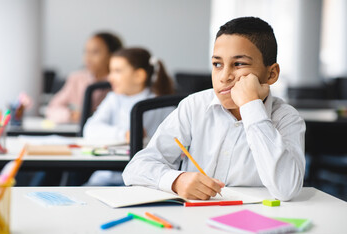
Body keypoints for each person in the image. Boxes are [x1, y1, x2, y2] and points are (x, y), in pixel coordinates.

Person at [122, 17, 306, 201]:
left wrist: (251, 106)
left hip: (254, 219)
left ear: (271, 74)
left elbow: (287, 189)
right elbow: (136, 168)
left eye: (239, 64)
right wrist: (176, 180)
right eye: (217, 64)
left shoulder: (286, 118)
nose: (224, 76)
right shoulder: (194, 106)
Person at [84, 47, 175, 185]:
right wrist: (124, 135)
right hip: (110, 173)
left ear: (139, 76)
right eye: (111, 71)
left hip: (147, 177)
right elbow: (89, 129)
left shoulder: (163, 104)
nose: (110, 77)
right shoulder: (113, 98)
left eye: (117, 71)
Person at [45, 32, 123, 124]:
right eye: (86, 52)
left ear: (112, 55)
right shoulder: (77, 79)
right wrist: (70, 115)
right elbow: (51, 109)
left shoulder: (120, 81)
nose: (88, 58)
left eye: (95, 52)